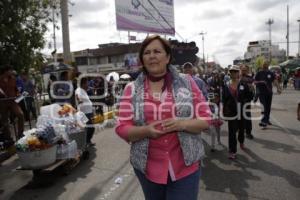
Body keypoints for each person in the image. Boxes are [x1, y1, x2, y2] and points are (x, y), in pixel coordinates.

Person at [115, 35, 211, 200]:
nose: (152, 56)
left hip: (186, 166)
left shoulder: (187, 82)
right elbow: (122, 127)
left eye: (157, 51)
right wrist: (146, 131)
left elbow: (206, 119)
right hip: (148, 169)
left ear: (167, 57)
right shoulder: (131, 89)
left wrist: (182, 124)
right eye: (147, 52)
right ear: (142, 59)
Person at [222, 65, 251, 159]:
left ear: (238, 72)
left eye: (235, 71)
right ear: (229, 73)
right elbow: (224, 99)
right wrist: (224, 111)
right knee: (232, 131)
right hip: (231, 112)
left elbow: (249, 96)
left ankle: (241, 141)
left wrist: (251, 92)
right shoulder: (226, 84)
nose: (234, 73)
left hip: (242, 111)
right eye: (232, 71)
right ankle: (232, 150)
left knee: (241, 129)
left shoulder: (243, 83)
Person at [0, 66, 24, 140]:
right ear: (6, 71)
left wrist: (18, 93)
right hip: (3, 102)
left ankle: (20, 134)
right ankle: (8, 138)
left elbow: (15, 89)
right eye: (10, 70)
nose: (12, 72)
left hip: (13, 101)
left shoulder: (13, 79)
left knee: (20, 115)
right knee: (5, 121)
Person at [75, 77, 95, 146]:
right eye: (87, 83)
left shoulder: (83, 90)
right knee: (89, 128)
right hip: (85, 113)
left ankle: (87, 141)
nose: (88, 84)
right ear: (83, 84)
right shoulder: (79, 90)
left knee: (90, 128)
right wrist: (79, 100)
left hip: (89, 112)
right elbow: (77, 96)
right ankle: (86, 142)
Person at [254, 62, 275, 128]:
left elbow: (274, 81)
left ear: (268, 65)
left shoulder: (271, 73)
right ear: (262, 66)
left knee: (268, 107)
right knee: (264, 107)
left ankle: (267, 119)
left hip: (269, 93)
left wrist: (279, 88)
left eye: (266, 64)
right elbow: (254, 81)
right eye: (264, 64)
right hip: (261, 93)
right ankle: (263, 122)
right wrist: (261, 82)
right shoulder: (259, 73)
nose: (265, 65)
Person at [239, 65, 255, 139]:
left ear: (248, 71)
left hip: (247, 100)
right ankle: (240, 130)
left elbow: (252, 89)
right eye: (242, 70)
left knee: (247, 116)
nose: (244, 71)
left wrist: (251, 87)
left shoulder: (250, 79)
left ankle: (248, 132)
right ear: (240, 70)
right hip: (238, 100)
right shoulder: (237, 78)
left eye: (245, 70)